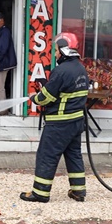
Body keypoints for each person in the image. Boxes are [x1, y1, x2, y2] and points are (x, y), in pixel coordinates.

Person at [19, 32, 90, 203]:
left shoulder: (61, 71)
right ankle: (78, 191)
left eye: (57, 50)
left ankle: (40, 193)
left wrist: (34, 98)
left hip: (59, 123)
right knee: (74, 155)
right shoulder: (81, 69)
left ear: (64, 49)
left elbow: (46, 98)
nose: (55, 53)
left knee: (47, 155)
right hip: (76, 123)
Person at [0, 12, 17, 113]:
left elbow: (3, 47)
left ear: (2, 21)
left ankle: (3, 110)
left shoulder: (4, 31)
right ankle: (3, 108)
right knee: (0, 86)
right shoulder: (1, 31)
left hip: (1, 62)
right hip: (0, 61)